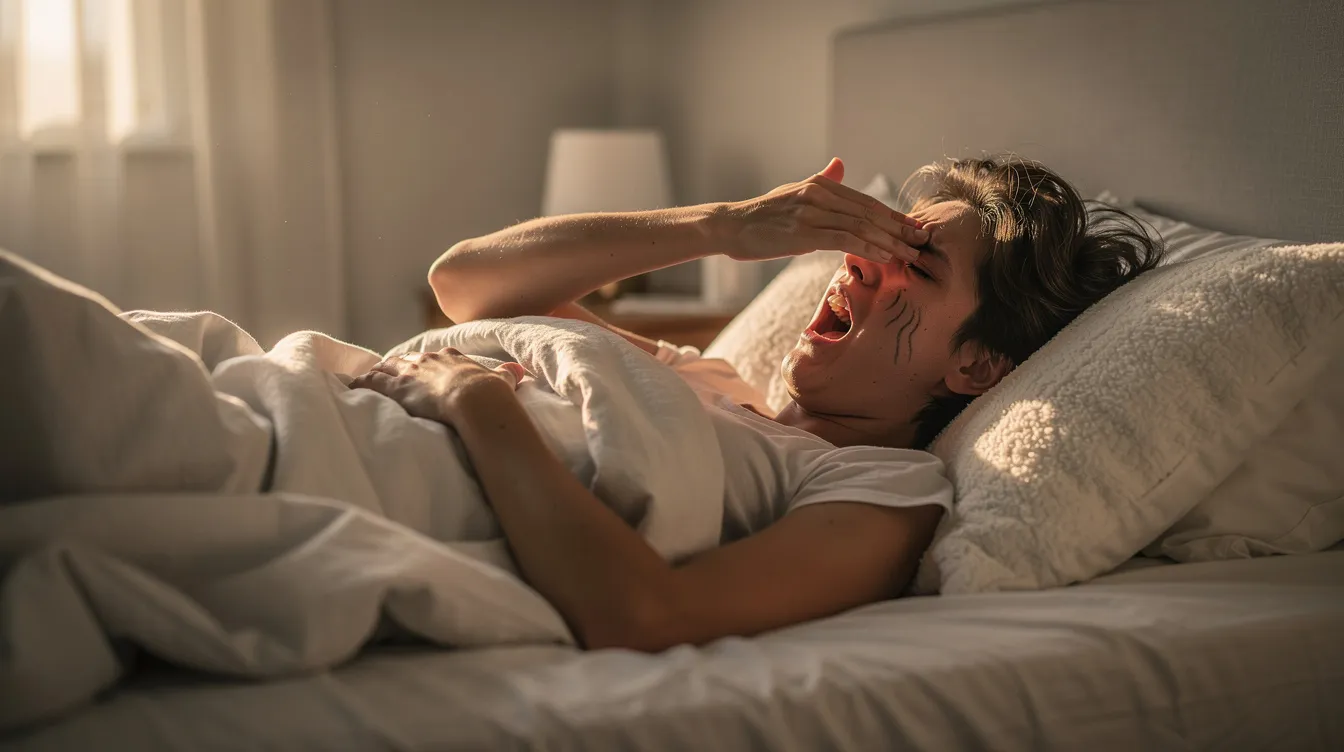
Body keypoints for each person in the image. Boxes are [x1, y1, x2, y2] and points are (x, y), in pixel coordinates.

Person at [351, 155, 1162, 652]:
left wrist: (473, 402)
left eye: (914, 266)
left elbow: (644, 616)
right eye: (873, 243)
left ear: (977, 367)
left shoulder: (887, 490)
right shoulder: (708, 383)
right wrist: (726, 225)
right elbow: (462, 285)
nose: (856, 266)